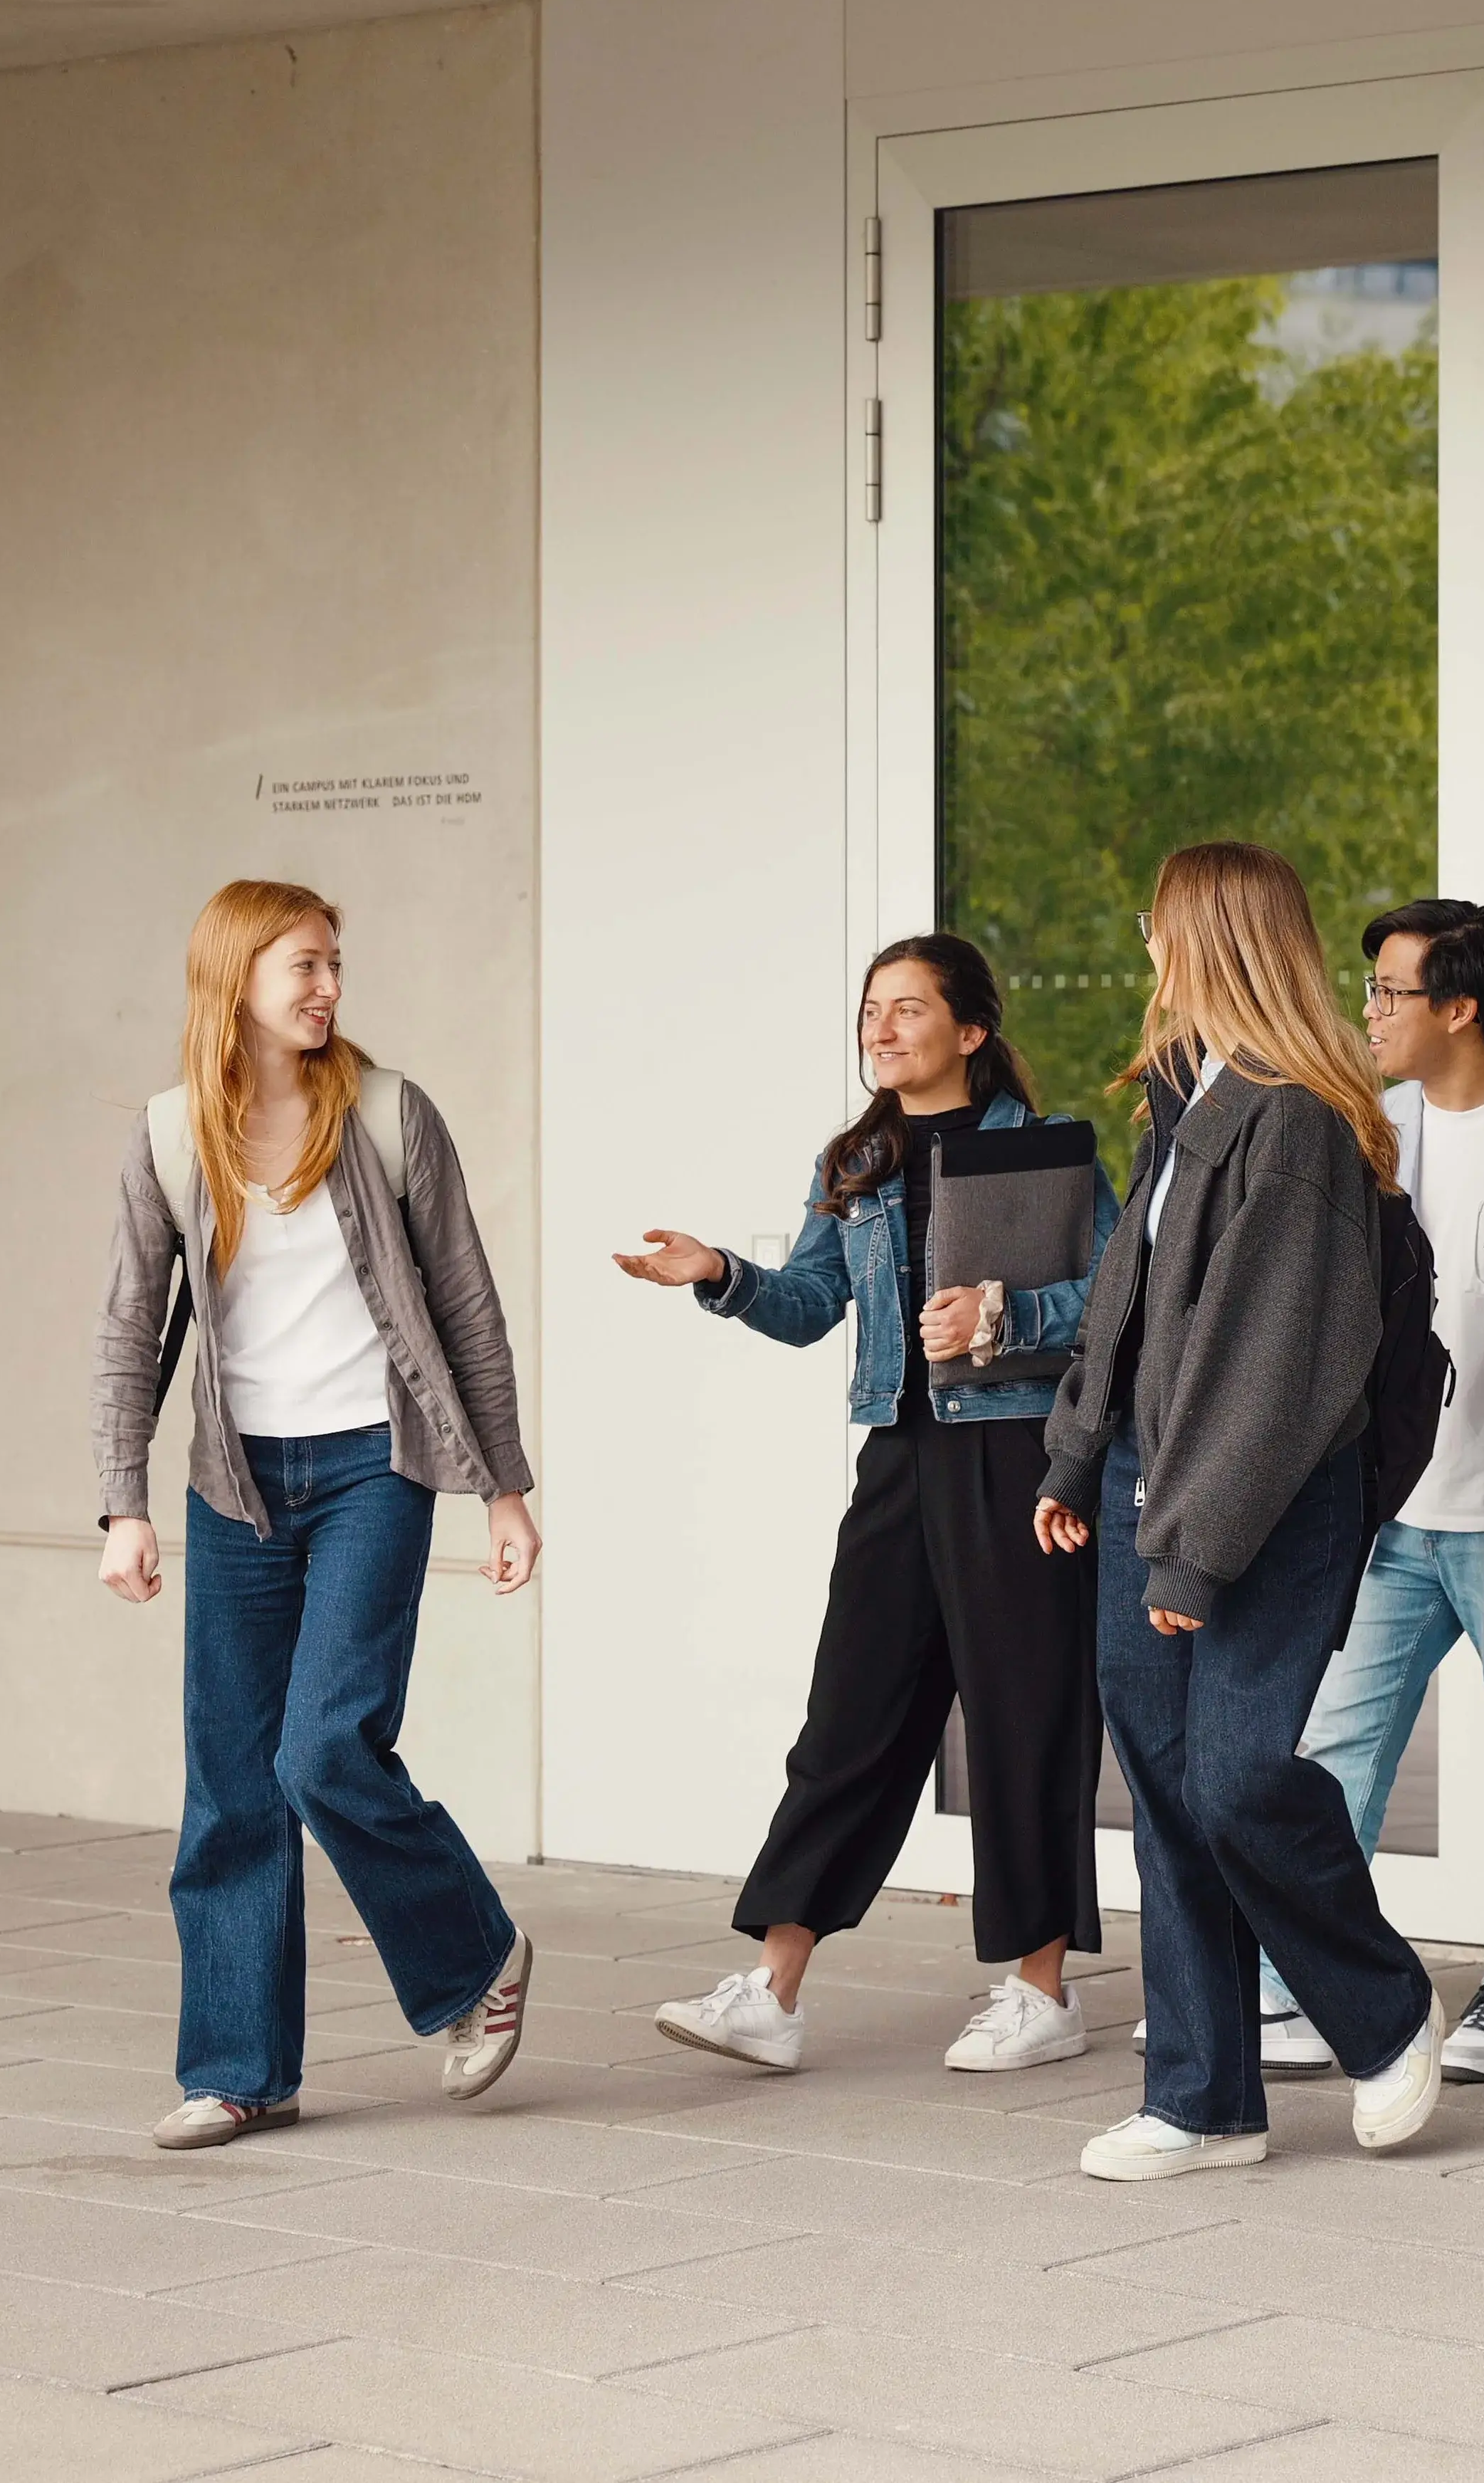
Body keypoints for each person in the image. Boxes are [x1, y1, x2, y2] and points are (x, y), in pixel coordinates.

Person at [93, 879, 541, 2153]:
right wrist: (121, 1503)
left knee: (323, 1748)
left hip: (370, 1469)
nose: (327, 985)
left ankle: (475, 1959)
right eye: (302, 964)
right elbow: (130, 1328)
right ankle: (240, 2068)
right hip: (237, 1484)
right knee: (232, 1784)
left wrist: (506, 1490)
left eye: (334, 963)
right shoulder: (172, 1134)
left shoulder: (391, 1114)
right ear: (235, 976)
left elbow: (467, 1308)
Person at [619, 935, 1117, 2076]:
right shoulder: (856, 1159)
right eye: (870, 1010)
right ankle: (773, 1987)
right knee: (851, 1717)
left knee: (1024, 1722)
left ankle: (1042, 1990)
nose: (881, 1029)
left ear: (972, 1031)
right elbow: (805, 1307)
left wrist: (1005, 1313)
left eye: (908, 1009)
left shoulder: (1042, 1155)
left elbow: (1116, 1295)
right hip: (901, 1460)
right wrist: (716, 1274)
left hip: (1018, 1460)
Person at [1036, 841, 1443, 2180]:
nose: (1148, 945)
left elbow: (1276, 1363)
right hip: (1152, 1484)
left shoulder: (1298, 1121)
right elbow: (1129, 1302)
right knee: (1166, 1790)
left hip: (1257, 1501)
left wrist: (1195, 1549)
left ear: (1206, 938)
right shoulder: (1186, 1096)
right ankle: (1202, 2096)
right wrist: (1073, 1456)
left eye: (1159, 925)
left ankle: (1383, 2009)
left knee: (1238, 1776)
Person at [1258, 900, 1484, 2082]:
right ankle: (1315, 1983)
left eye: (1388, 991)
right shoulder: (1369, 1131)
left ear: (1459, 1006)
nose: (1368, 1011)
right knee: (1331, 1753)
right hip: (1389, 1516)